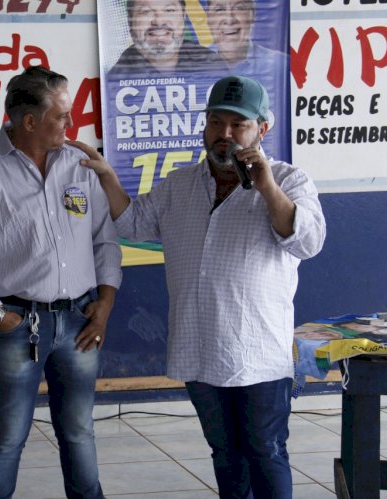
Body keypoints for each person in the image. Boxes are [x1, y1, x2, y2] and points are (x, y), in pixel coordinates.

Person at [72, 75, 326, 498]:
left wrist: (265, 187)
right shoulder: (181, 183)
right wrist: (106, 177)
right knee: (224, 453)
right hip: (199, 349)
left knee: (265, 450)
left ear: (262, 129)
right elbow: (133, 222)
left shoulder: (289, 180)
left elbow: (308, 240)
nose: (225, 134)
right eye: (216, 122)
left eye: (238, 125)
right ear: (204, 125)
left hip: (259, 354)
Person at [0, 66, 122, 499]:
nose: (71, 124)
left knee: (79, 432)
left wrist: (106, 302)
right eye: (62, 115)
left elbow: (105, 238)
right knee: (8, 435)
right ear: (29, 121)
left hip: (79, 320)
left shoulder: (81, 165)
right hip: (15, 324)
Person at [204, 0, 290, 159]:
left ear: (253, 14)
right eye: (219, 9)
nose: (229, 19)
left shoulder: (281, 66)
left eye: (239, 8)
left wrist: (266, 184)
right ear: (208, 16)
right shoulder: (192, 65)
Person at [108, 0, 225, 77]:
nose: (159, 21)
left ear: (183, 17)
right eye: (146, 12)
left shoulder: (213, 65)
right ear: (130, 21)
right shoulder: (114, 80)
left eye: (169, 10)